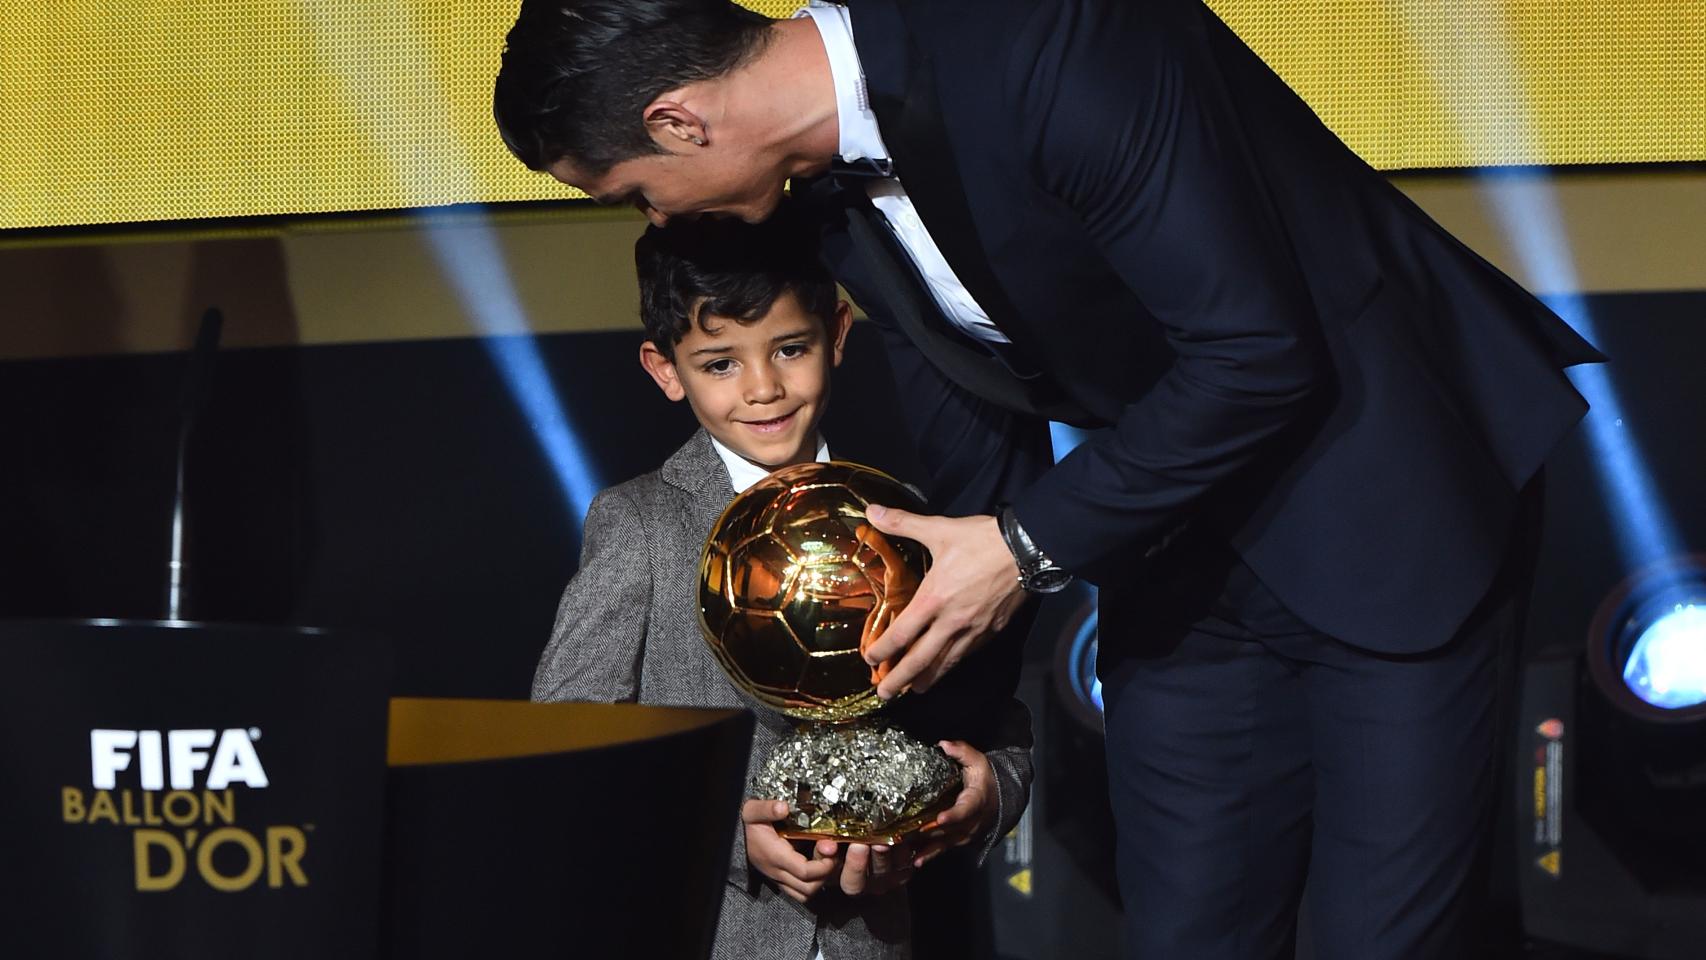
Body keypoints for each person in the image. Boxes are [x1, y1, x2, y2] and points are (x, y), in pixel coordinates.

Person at [493, 0, 1604, 954]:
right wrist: (945, 755)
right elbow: (978, 431)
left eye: (635, 194)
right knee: (1184, 932)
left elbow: (1256, 351)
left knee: (1378, 939)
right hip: (1172, 545)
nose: (660, 222)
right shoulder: (819, 196)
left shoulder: (1040, 34)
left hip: (1385, 496)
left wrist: (1025, 550)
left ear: (675, 120)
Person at [531, 208, 1034, 960]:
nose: (764, 388)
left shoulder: (901, 517)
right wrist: (733, 835)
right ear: (666, 369)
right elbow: (566, 747)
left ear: (836, 333)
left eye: (789, 349)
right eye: (720, 363)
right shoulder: (641, 522)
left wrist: (991, 791)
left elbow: (996, 719)